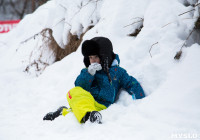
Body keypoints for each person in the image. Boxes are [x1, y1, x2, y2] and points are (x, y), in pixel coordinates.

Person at [43, 37, 145, 124]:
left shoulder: (117, 72)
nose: (93, 60)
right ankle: (65, 113)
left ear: (105, 57)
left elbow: (131, 83)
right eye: (90, 57)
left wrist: (141, 101)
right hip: (88, 100)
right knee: (73, 92)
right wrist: (89, 74)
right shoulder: (88, 71)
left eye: (96, 57)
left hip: (101, 105)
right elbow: (80, 87)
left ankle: (71, 113)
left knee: (80, 108)